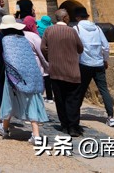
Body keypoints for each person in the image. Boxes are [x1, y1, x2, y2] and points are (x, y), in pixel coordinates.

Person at [0, 15, 49, 144]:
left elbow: (7, 58)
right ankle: (36, 134)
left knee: (9, 99)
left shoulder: (5, 40)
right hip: (31, 73)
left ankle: (4, 127)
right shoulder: (23, 39)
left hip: (14, 75)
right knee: (31, 100)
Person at [41, 9, 84, 137]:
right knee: (73, 99)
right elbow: (80, 48)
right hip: (72, 71)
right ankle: (73, 126)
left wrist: (51, 58)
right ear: (65, 18)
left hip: (55, 70)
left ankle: (64, 125)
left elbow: (43, 47)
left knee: (60, 99)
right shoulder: (72, 31)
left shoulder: (49, 31)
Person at [73, 6, 114, 127]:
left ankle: (75, 113)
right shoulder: (97, 28)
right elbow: (106, 46)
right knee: (104, 89)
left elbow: (76, 47)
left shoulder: (76, 29)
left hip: (84, 63)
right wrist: (105, 59)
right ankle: (111, 116)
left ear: (77, 17)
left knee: (80, 90)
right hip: (98, 63)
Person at [22, 16, 52, 103]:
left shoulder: (19, 35)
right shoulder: (34, 36)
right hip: (37, 67)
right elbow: (41, 54)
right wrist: (48, 66)